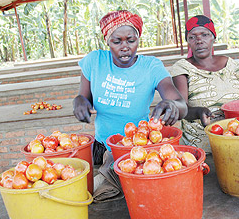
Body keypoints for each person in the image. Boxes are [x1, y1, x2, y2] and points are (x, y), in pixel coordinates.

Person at [73, 10, 188, 201]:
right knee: (103, 198)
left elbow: (180, 104)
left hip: (139, 148)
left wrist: (173, 105)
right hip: (103, 149)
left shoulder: (151, 67)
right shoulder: (95, 61)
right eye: (117, 42)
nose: (125, 47)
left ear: (138, 39)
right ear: (107, 42)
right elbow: (84, 97)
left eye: (131, 40)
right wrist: (79, 102)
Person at [168, 15, 239, 153]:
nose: (199, 40)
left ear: (213, 37)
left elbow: (238, 94)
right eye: (192, 37)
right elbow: (182, 108)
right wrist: (198, 111)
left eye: (204, 35)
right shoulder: (182, 68)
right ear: (188, 41)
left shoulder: (230, 64)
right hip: (204, 146)